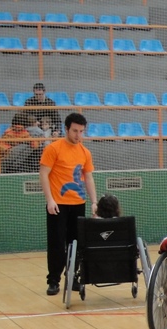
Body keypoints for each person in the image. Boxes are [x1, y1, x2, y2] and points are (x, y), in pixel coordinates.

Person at [40, 112, 97, 296]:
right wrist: (49, 200)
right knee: (56, 243)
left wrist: (94, 202)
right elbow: (44, 174)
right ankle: (53, 280)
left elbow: (88, 177)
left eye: (81, 131)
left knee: (77, 243)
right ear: (66, 129)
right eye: (74, 131)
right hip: (58, 204)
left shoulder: (85, 152)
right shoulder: (53, 149)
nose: (78, 135)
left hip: (78, 203)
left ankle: (73, 278)